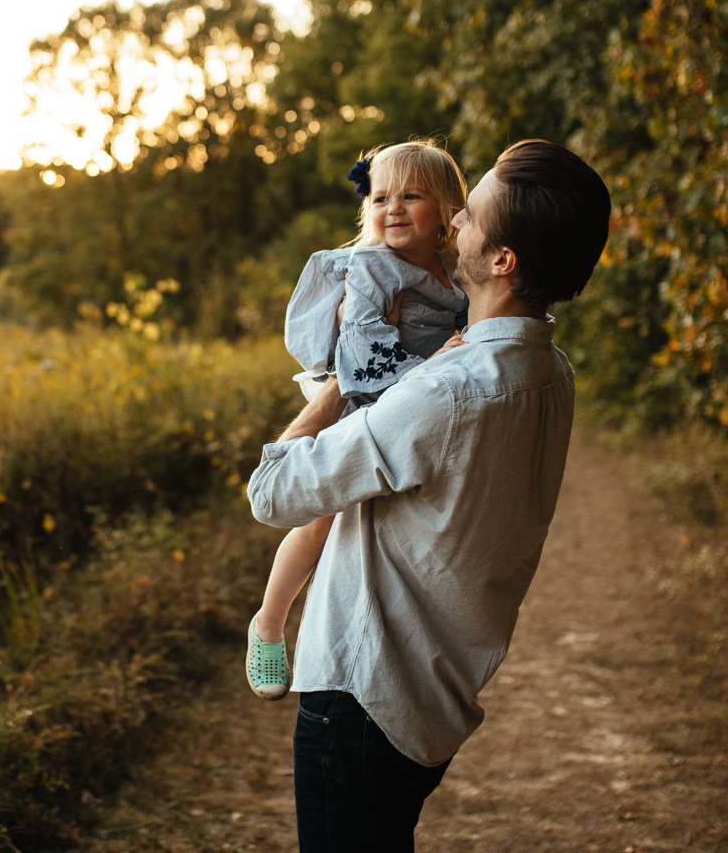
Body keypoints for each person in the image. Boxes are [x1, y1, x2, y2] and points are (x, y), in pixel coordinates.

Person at [247, 139, 611, 852]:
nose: (453, 226)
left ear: (503, 260)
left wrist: (330, 396)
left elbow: (271, 492)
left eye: (467, 215)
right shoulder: (550, 371)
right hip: (437, 695)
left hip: (363, 697)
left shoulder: (448, 390)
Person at [245, 141, 470, 700]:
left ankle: (385, 643)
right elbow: (366, 352)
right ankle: (269, 624)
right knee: (321, 519)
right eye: (380, 197)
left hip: (415, 406)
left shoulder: (454, 269)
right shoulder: (372, 267)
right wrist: (434, 364)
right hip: (363, 396)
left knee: (394, 525)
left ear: (447, 209)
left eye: (411, 196)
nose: (392, 208)